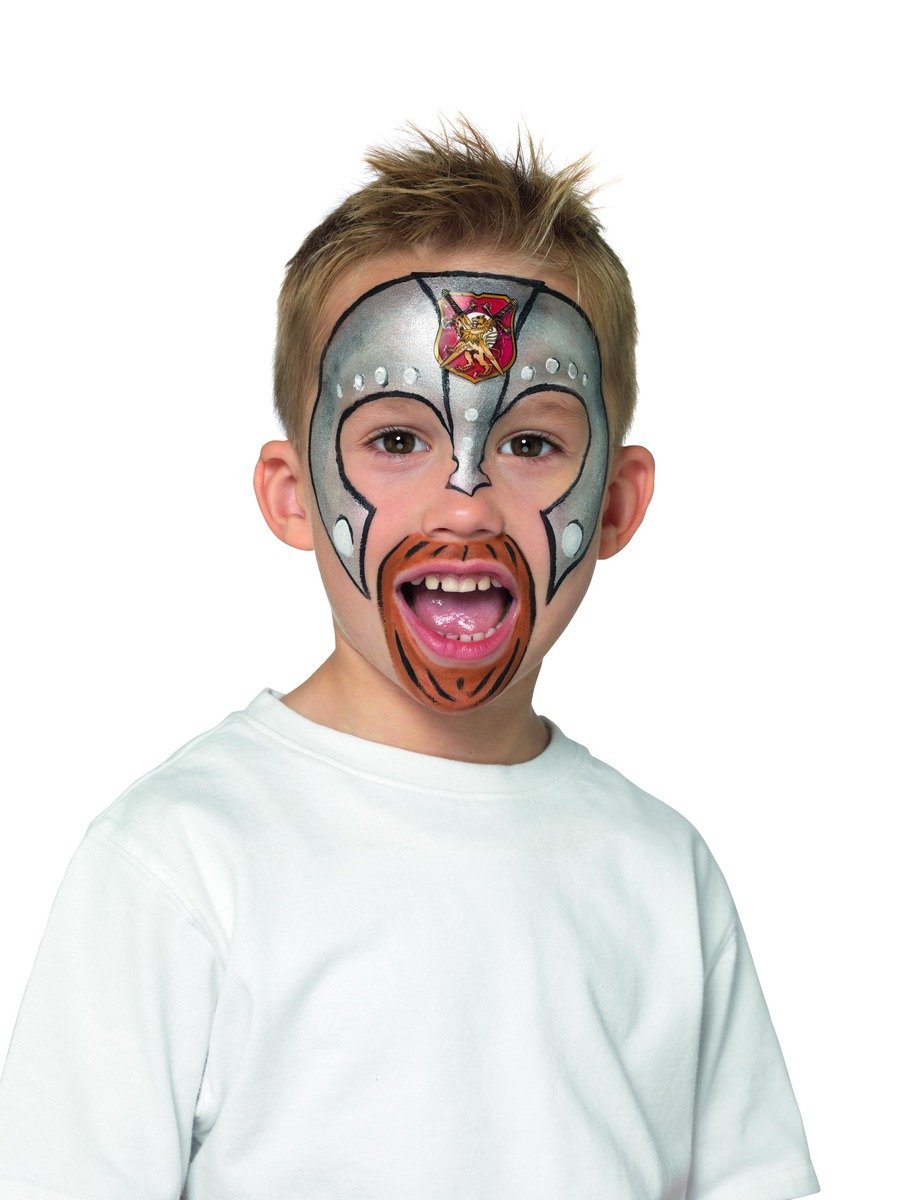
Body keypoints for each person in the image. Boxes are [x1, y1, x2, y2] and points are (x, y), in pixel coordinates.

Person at [0, 122, 820, 1200]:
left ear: (618, 504)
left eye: (530, 443)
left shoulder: (665, 874)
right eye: (396, 440)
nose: (464, 501)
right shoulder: (180, 859)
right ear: (292, 496)